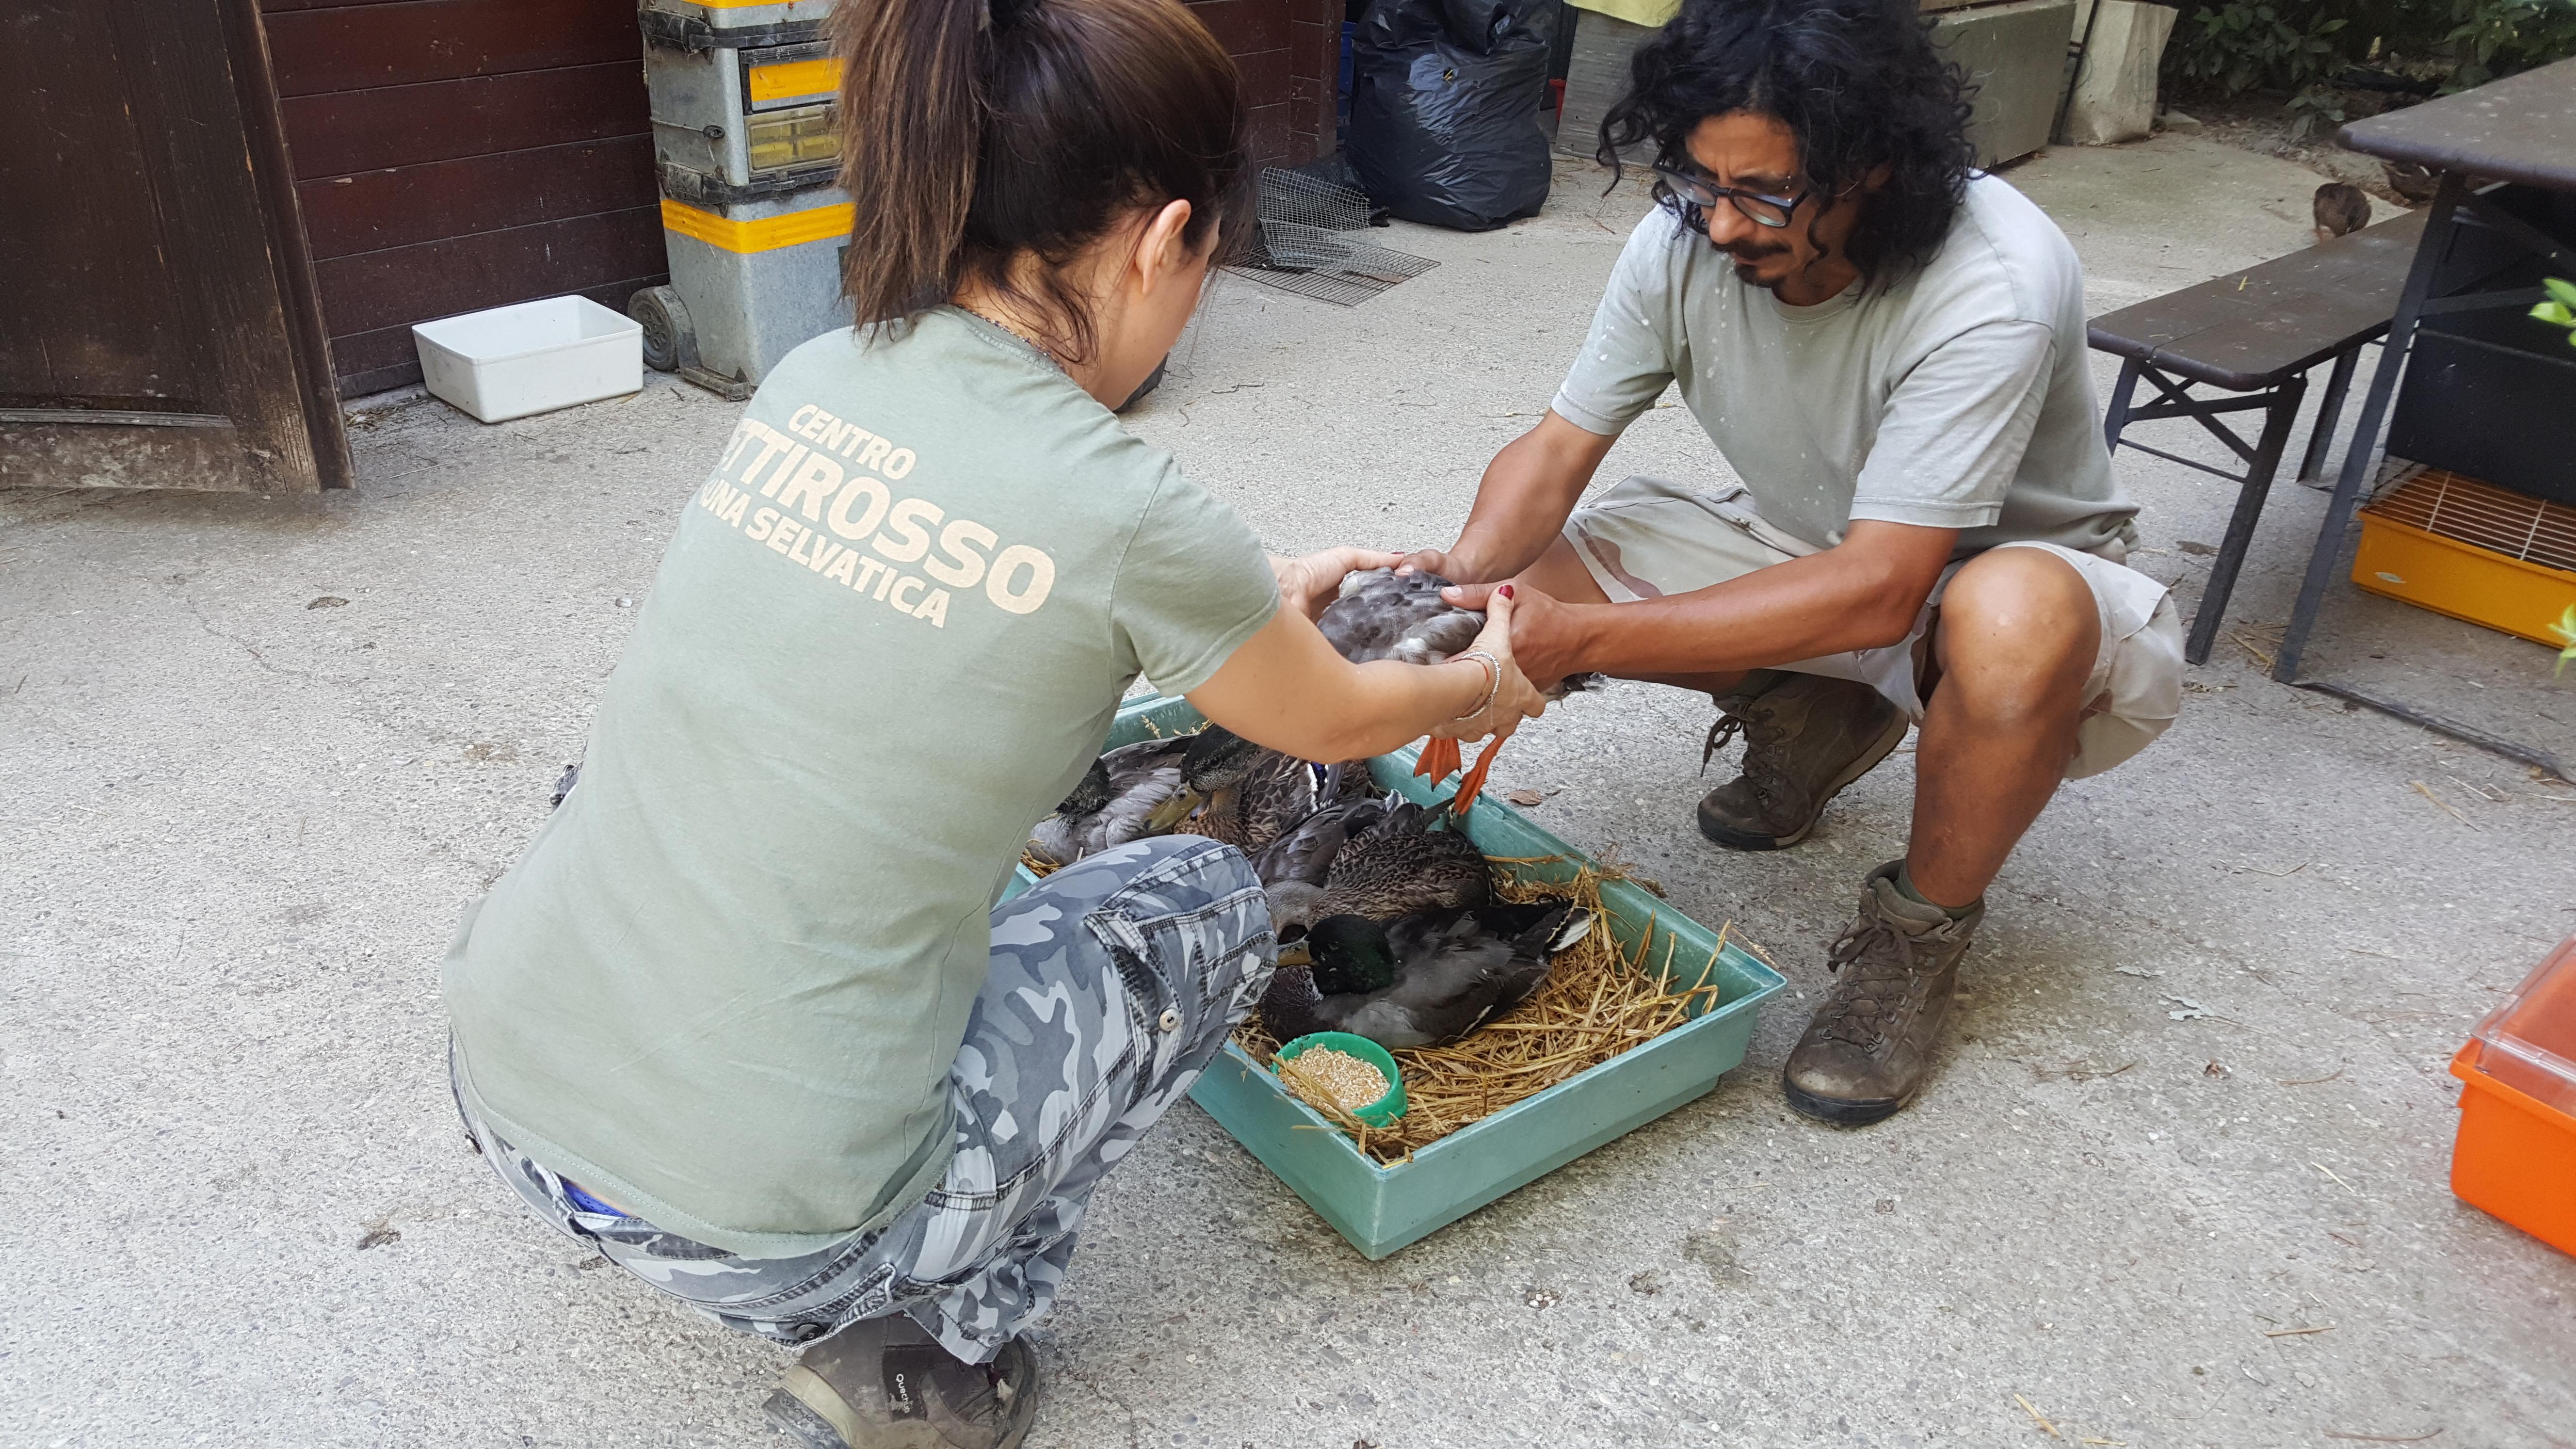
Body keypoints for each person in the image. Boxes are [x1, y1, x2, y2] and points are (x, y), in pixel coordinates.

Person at [438, 0, 1546, 1445]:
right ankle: (936, 1356)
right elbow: (1332, 714)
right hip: (769, 1229)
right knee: (1203, 896)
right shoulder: (1133, 506)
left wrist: (1249, 591)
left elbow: (996, 582)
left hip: (503, 1090)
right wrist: (1486, 677)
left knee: (675, 769)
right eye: (1208, 264)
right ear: (1163, 241)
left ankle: (647, 1144)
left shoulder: (822, 378)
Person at [1401, 0, 2183, 1127]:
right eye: (1698, 183)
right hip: (1807, 540)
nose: (1719, 227)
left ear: (1872, 169)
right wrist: (1460, 584)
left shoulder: (1992, 279)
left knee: (2007, 620)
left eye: (1762, 193)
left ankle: (1917, 943)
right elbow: (1561, 446)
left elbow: (1882, 587)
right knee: (1539, 584)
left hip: (2005, 579)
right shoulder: (1684, 235)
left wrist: (1577, 644)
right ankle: (1814, 716)